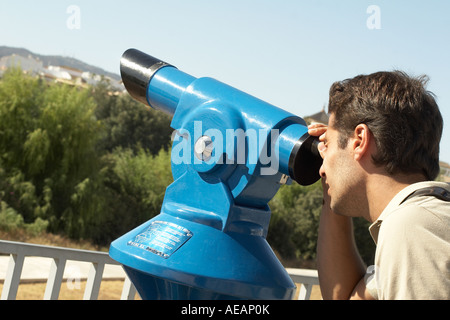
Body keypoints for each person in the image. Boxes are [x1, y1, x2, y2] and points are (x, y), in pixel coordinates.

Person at [308, 71, 450, 300]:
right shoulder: (426, 219)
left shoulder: (412, 226)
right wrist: (331, 183)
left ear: (360, 140)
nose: (323, 167)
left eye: (329, 144)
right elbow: (343, 297)